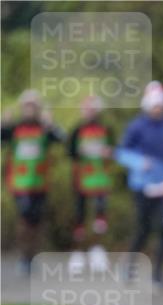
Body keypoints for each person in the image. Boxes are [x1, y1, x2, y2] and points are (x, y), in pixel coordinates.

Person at [116, 81, 163, 290]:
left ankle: (158, 275)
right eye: (155, 106)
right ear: (148, 106)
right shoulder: (136, 126)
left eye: (161, 105)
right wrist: (139, 163)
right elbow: (122, 153)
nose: (158, 109)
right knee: (143, 229)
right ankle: (129, 266)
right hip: (142, 184)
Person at [1, 89, 64, 275]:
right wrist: (3, 124)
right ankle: (23, 255)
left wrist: (51, 124)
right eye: (27, 106)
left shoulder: (44, 127)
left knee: (36, 219)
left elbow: (62, 139)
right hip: (19, 181)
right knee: (25, 213)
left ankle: (31, 256)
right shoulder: (14, 128)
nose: (30, 109)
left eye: (33, 106)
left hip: (40, 182)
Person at [67, 95, 114, 275]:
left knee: (100, 215)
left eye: (92, 109)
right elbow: (70, 152)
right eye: (87, 109)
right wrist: (79, 152)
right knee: (80, 215)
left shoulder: (106, 129)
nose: (89, 112)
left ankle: (97, 250)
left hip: (101, 178)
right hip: (81, 179)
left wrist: (108, 152)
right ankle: (78, 253)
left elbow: (113, 149)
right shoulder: (77, 129)